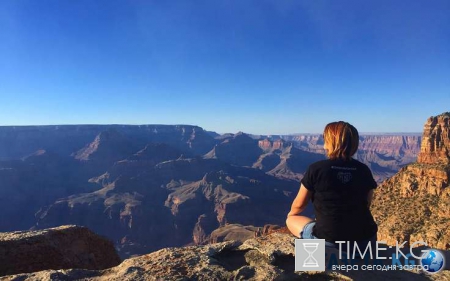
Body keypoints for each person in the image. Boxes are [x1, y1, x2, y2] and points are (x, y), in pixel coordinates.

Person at [286, 121, 378, 252]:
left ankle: (310, 267)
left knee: (291, 220)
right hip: (365, 242)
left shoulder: (317, 169)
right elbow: (366, 204)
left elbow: (299, 205)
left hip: (328, 241)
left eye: (325, 139)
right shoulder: (364, 170)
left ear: (330, 142)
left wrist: (292, 214)